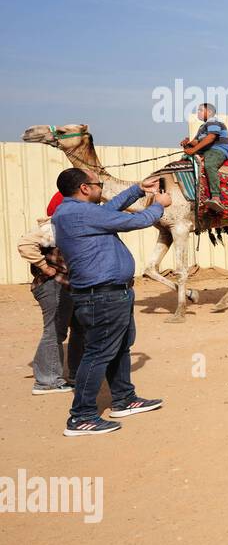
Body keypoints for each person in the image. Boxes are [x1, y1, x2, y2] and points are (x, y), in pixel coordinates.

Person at [52, 167, 168, 435]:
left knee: (119, 348)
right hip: (102, 295)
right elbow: (134, 222)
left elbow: (109, 211)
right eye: (98, 184)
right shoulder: (79, 213)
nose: (100, 188)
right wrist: (158, 206)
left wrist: (138, 189)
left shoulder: (74, 211)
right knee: (99, 352)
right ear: (84, 188)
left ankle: (124, 398)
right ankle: (81, 416)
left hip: (111, 293)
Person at [17, 215, 83, 394]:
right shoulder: (52, 228)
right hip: (53, 284)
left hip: (68, 286)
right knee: (54, 331)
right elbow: (24, 244)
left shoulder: (68, 226)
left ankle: (78, 374)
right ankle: (47, 381)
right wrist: (44, 267)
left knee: (80, 328)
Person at [181, 102, 228, 214]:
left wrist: (193, 150)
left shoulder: (213, 121)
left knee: (209, 164)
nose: (197, 113)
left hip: (218, 150)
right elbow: (196, 142)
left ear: (209, 112)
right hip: (207, 151)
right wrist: (187, 144)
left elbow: (211, 137)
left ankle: (216, 197)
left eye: (200, 110)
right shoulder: (202, 127)